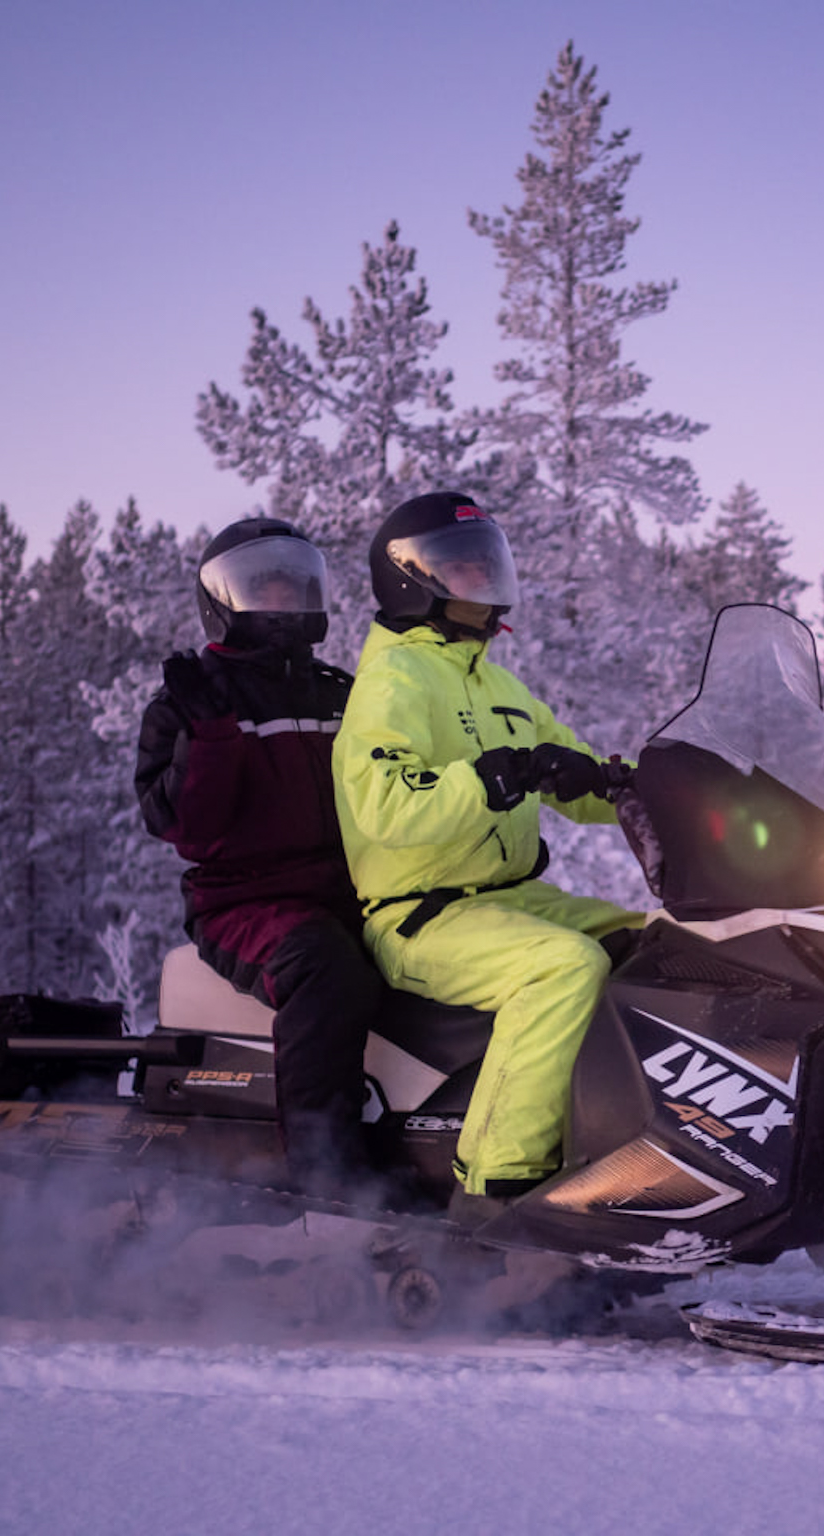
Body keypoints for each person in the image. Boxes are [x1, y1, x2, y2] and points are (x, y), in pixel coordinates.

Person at [333, 491, 640, 1216]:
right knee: (563, 967)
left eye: (484, 565)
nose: (480, 581)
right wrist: (489, 778)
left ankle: (638, 1152)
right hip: (424, 915)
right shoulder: (393, 680)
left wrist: (637, 788)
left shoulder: (498, 683)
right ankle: (496, 1183)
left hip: (508, 899)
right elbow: (382, 803)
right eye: (461, 568)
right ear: (414, 579)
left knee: (661, 946)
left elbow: (573, 774)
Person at [135, 516, 391, 1197]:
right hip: (242, 901)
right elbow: (187, 826)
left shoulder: (341, 693)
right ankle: (326, 1172)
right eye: (263, 590)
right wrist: (212, 733)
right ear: (225, 601)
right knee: (325, 968)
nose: (280, 604)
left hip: (352, 891)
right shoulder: (187, 701)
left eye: (291, 588)